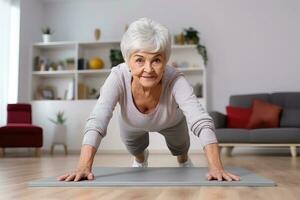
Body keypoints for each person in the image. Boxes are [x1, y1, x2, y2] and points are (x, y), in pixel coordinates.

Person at [57, 18, 240, 182]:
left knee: (181, 149)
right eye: (139, 60)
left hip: (172, 122)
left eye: (156, 60)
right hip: (132, 123)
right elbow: (98, 119)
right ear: (128, 60)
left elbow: (201, 120)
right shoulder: (117, 77)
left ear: (165, 60)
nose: (148, 69)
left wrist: (216, 168)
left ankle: (183, 160)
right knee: (136, 151)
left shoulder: (175, 79)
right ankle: (140, 158)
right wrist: (83, 166)